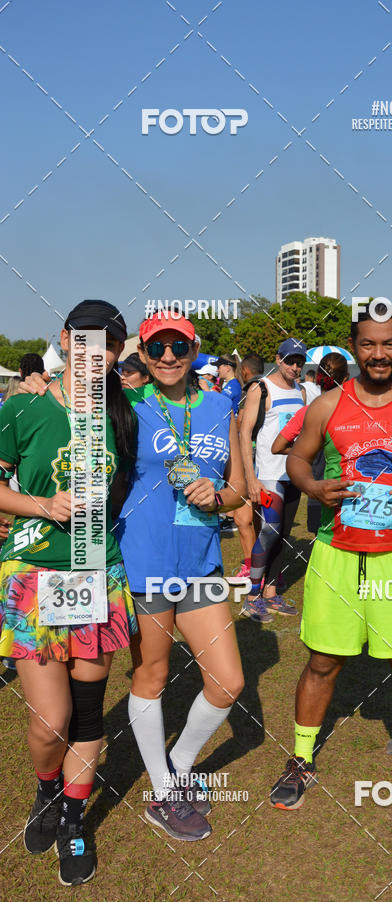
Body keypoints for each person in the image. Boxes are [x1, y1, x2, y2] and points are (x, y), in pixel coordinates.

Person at [269, 304, 392, 811]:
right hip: (336, 551)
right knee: (322, 661)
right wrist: (311, 485)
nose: (379, 354)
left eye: (389, 344)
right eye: (369, 344)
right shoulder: (328, 405)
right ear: (354, 347)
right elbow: (295, 455)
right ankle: (301, 759)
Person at [0, 300, 138, 886]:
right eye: (83, 345)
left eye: (106, 349)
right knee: (49, 722)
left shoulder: (121, 412)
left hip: (96, 576)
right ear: (63, 341)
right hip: (33, 576)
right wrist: (40, 506)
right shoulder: (21, 408)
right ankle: (46, 789)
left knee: (85, 714)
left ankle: (74, 821)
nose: (94, 358)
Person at [116, 311, 247, 841]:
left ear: (194, 350)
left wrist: (218, 496)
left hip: (202, 561)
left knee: (228, 681)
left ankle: (180, 762)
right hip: (145, 560)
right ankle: (163, 792)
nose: (168, 356)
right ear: (142, 355)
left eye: (179, 345)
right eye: (157, 347)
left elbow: (242, 491)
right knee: (152, 675)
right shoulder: (126, 407)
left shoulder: (221, 406)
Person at [238, 339, 307, 622]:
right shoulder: (261, 387)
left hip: (294, 473)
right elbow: (244, 434)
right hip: (268, 475)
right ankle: (252, 596)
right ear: (278, 359)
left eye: (299, 362)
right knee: (268, 530)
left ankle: (270, 592)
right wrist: (251, 478)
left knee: (284, 534)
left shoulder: (302, 390)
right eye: (290, 360)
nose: (295, 367)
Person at [272, 353, 349, 536]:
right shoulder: (356, 413)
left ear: (317, 379)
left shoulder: (307, 412)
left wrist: (306, 451)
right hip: (350, 489)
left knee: (321, 543)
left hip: (318, 490)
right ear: (346, 379)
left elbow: (277, 447)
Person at [232, 353, 265, 580]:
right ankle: (268, 569)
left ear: (244, 370)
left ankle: (252, 568)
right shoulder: (272, 387)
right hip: (268, 461)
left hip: (250, 458)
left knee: (242, 518)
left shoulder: (250, 390)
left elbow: (242, 423)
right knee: (261, 518)